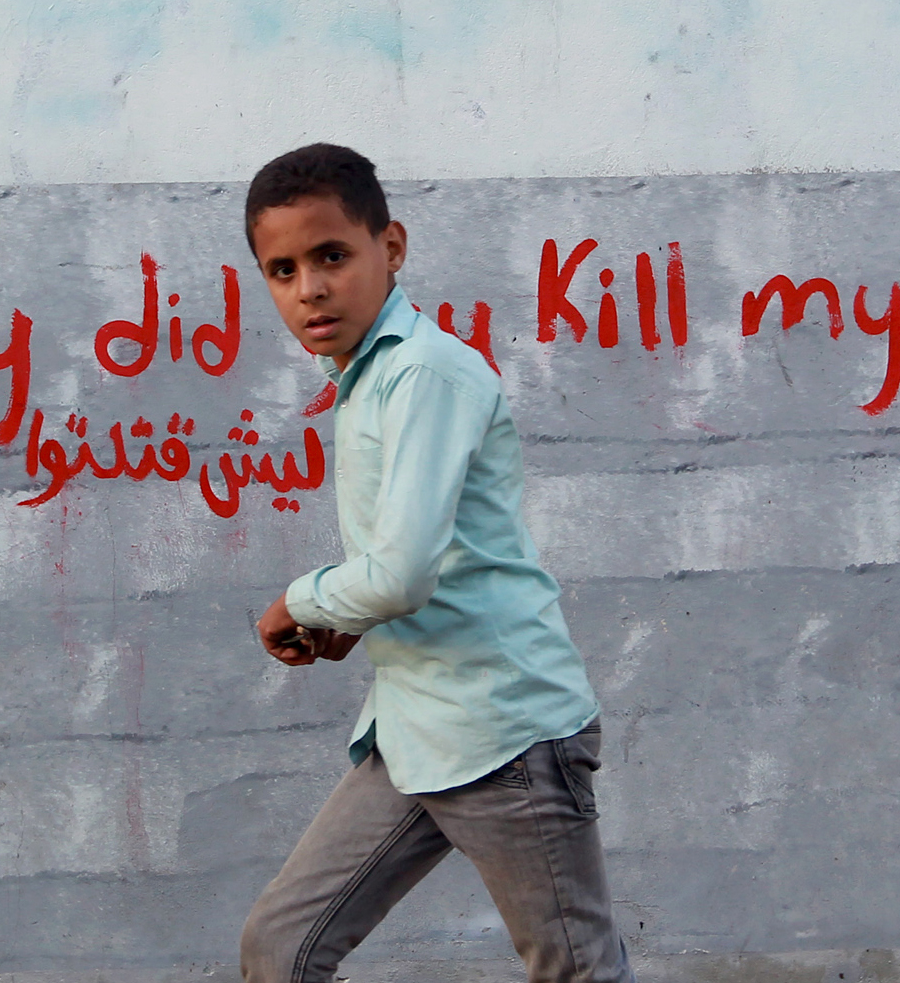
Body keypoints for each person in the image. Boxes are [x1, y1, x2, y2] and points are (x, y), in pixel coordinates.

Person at [238, 143, 632, 983]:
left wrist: (301, 601)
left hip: (505, 733)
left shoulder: (426, 372)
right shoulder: (368, 378)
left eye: (331, 256)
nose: (308, 287)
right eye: (281, 269)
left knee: (578, 970)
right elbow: (415, 565)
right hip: (417, 729)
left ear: (393, 247)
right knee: (280, 947)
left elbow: (402, 573)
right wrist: (348, 619)